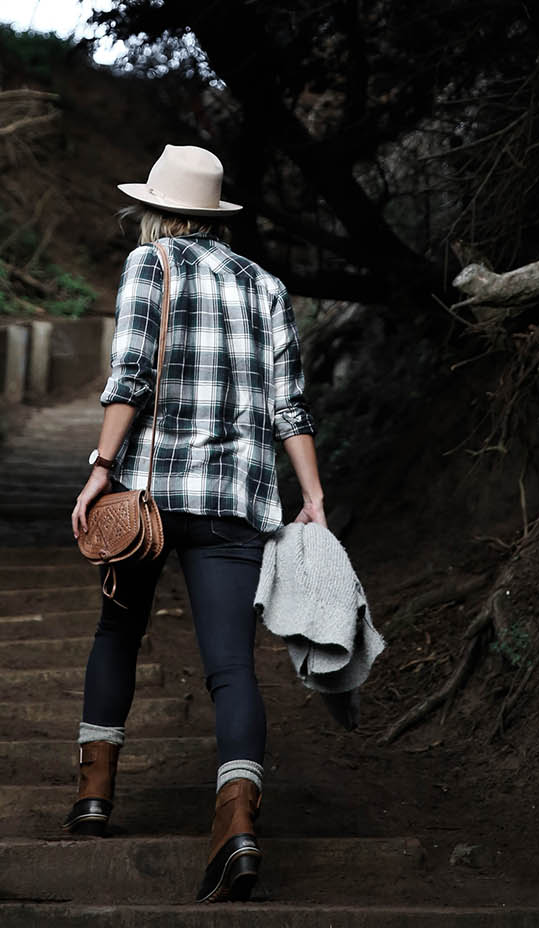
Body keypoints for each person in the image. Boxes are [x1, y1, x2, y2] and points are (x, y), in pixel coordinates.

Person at [67, 144, 326, 905]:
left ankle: (93, 798)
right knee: (232, 669)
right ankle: (238, 826)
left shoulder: (152, 264)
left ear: (157, 208)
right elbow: (291, 409)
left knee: (117, 632)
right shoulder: (266, 284)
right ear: (214, 215)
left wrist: (100, 466)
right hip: (236, 502)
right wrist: (310, 496)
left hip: (147, 498)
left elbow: (131, 372)